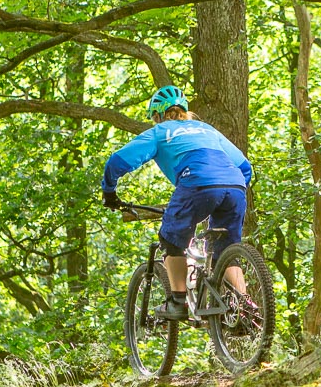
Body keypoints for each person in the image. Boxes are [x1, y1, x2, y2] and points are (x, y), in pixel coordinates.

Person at [101, 85, 252, 321]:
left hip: (196, 183)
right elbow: (245, 167)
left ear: (158, 115)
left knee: (172, 238)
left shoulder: (160, 132)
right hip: (235, 186)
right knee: (226, 250)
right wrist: (227, 188)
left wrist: (109, 191)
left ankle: (178, 302)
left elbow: (118, 160)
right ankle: (244, 309)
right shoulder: (207, 130)